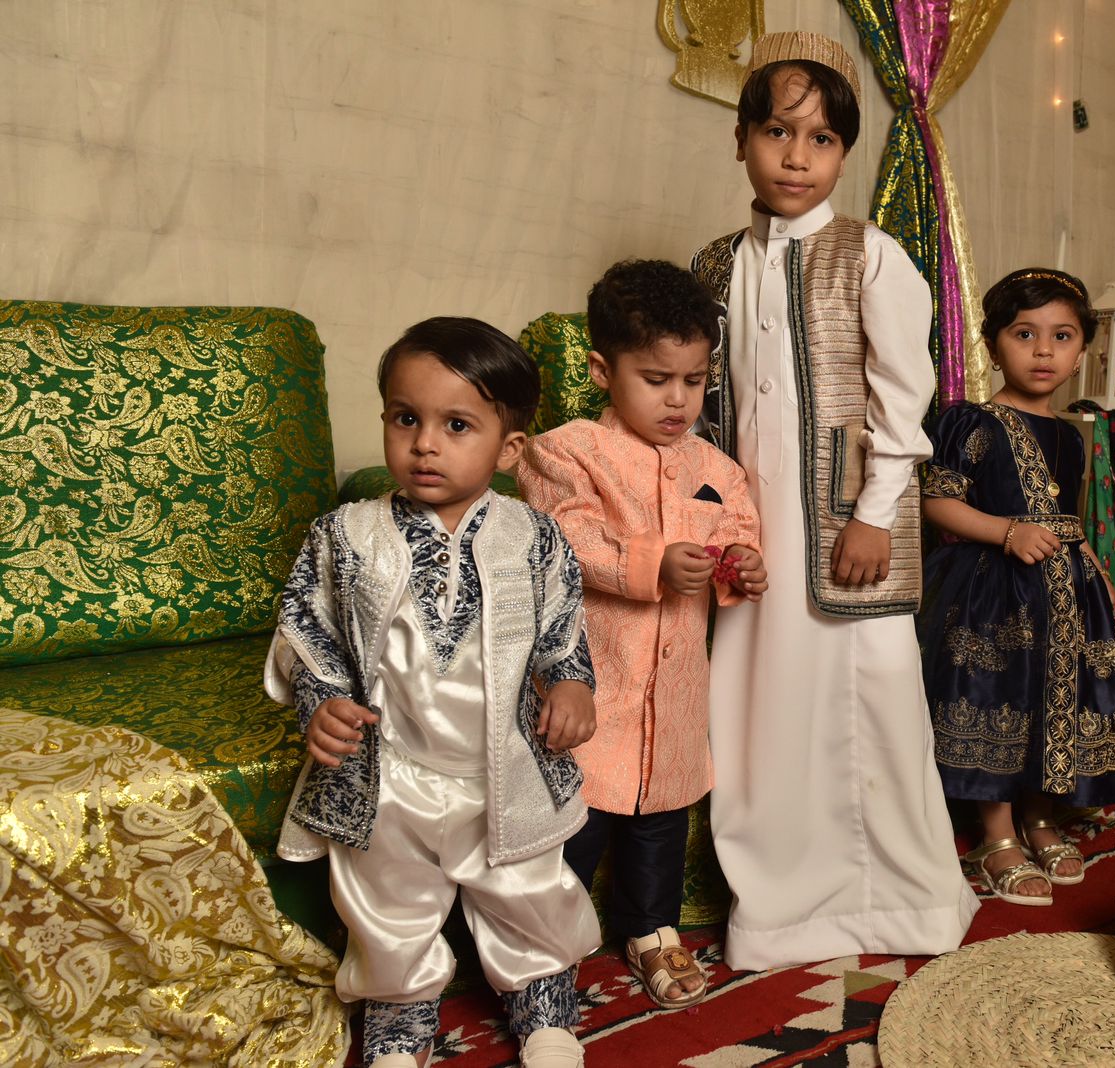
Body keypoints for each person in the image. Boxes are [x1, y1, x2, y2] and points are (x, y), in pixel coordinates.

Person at [690, 30, 978, 971]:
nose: (796, 157)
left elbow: (904, 398)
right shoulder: (713, 266)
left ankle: (908, 902)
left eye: (820, 139)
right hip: (750, 532)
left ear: (844, 154)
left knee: (876, 706)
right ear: (741, 139)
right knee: (758, 711)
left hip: (851, 526)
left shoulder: (872, 254)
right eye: (778, 132)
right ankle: (779, 908)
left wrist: (871, 515)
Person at [265, 317, 599, 1068]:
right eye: (405, 418)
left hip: (504, 765)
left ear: (509, 448)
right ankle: (399, 1016)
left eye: (457, 425)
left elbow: (563, 628)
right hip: (391, 769)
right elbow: (307, 628)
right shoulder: (346, 534)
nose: (424, 444)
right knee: (386, 901)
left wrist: (573, 684)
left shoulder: (534, 537)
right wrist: (322, 702)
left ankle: (544, 1004)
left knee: (528, 890)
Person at [517, 259, 766, 1007]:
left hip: (675, 689)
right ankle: (543, 944)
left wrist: (743, 563)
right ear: (603, 370)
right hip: (594, 680)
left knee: (661, 815)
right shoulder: (564, 452)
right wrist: (652, 562)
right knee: (575, 817)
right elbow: (564, 537)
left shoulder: (715, 465)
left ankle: (651, 927)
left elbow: (737, 528)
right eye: (656, 379)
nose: (678, 399)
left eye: (694, 380)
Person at [917, 269, 1115, 906]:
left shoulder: (1071, 436)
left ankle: (1040, 817)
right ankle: (996, 834)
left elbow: (1063, 514)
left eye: (1061, 336)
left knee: (1055, 696)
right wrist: (1007, 531)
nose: (1043, 351)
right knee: (1000, 697)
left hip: (1067, 591)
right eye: (1024, 334)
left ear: (1082, 352)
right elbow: (938, 503)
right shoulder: (970, 421)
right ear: (993, 346)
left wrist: (1087, 562)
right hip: (993, 592)